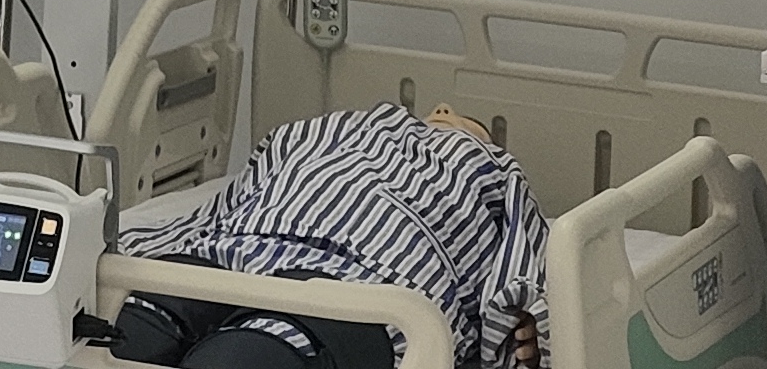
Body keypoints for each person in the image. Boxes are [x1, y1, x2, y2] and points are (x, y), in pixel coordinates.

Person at [111, 103, 551, 369]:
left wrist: (529, 323)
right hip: (242, 246)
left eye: (470, 124)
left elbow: (530, 257)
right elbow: (249, 185)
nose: (446, 114)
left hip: (363, 282)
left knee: (255, 353)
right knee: (133, 330)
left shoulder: (496, 168)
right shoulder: (334, 129)